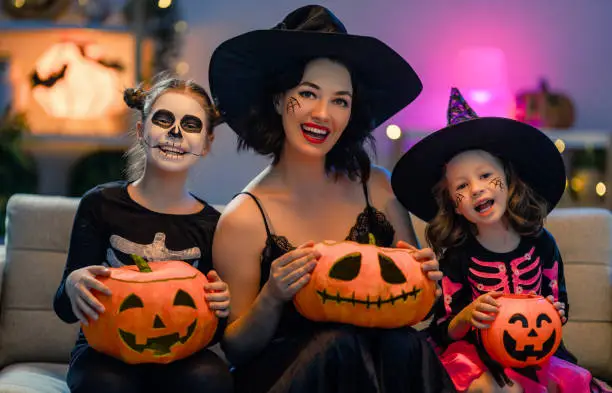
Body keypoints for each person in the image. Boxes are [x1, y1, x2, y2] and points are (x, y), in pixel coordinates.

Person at [209, 5, 456, 393]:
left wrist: (428, 282)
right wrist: (272, 297)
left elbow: (416, 310)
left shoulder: (377, 188)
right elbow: (236, 349)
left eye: (340, 100)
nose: (323, 113)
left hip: (381, 367)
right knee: (338, 343)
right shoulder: (245, 218)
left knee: (403, 342)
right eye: (308, 93)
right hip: (287, 378)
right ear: (278, 100)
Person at [390, 87, 612, 393]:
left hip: (536, 351)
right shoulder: (457, 255)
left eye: (485, 176)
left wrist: (554, 312)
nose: (477, 189)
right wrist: (467, 316)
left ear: (508, 182)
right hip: (474, 355)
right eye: (462, 186)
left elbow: (558, 302)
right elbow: (444, 330)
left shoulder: (542, 244)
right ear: (456, 205)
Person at [53, 73, 233, 393]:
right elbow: (65, 310)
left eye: (191, 125)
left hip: (181, 353)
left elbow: (212, 328)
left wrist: (220, 307)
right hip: (106, 351)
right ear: (141, 131)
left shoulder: (213, 225)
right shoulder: (100, 204)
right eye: (164, 120)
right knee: (106, 384)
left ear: (206, 143)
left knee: (211, 379)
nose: (175, 133)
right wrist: (72, 284)